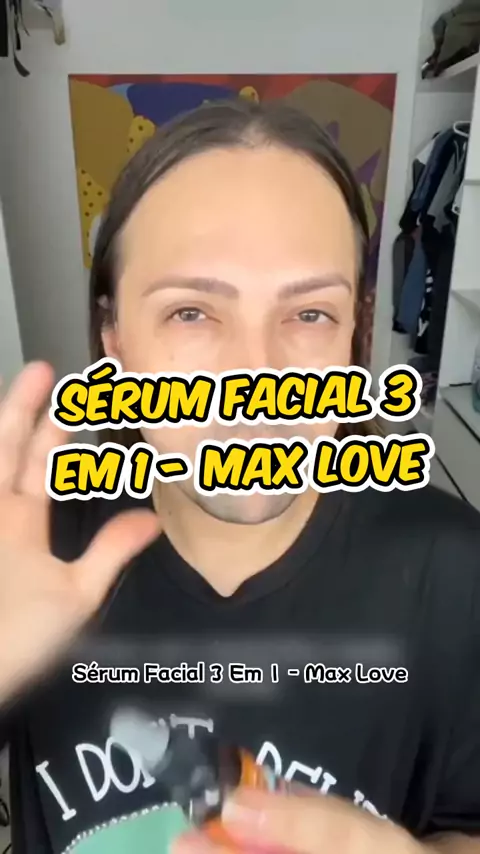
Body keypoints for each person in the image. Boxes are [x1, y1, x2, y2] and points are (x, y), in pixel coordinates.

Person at [0, 99, 479, 854]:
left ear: (354, 335)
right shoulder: (26, 558)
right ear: (114, 339)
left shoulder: (455, 572)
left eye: (310, 314)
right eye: (191, 313)